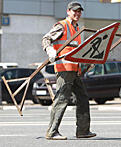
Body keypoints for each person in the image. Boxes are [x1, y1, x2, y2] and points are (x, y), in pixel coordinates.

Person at [42, 1, 96, 140]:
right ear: (68, 11)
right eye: (74, 11)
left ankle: (83, 131)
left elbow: (77, 51)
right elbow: (46, 39)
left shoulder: (77, 29)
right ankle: (52, 131)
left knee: (83, 97)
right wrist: (50, 50)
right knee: (62, 99)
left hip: (74, 69)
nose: (77, 13)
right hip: (64, 69)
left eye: (79, 11)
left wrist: (87, 63)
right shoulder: (62, 26)